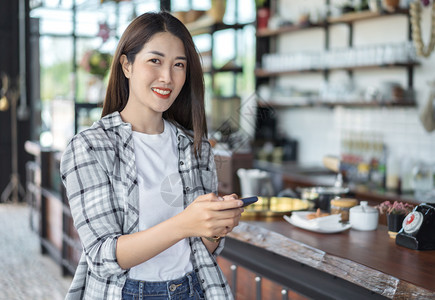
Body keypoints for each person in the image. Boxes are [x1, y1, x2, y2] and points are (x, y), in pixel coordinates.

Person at [60, 11, 244, 300]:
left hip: (193, 289)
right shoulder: (90, 147)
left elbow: (200, 249)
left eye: (179, 65)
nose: (167, 77)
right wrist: (185, 223)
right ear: (127, 65)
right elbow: (102, 256)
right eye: (155, 61)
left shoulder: (196, 148)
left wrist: (215, 226)